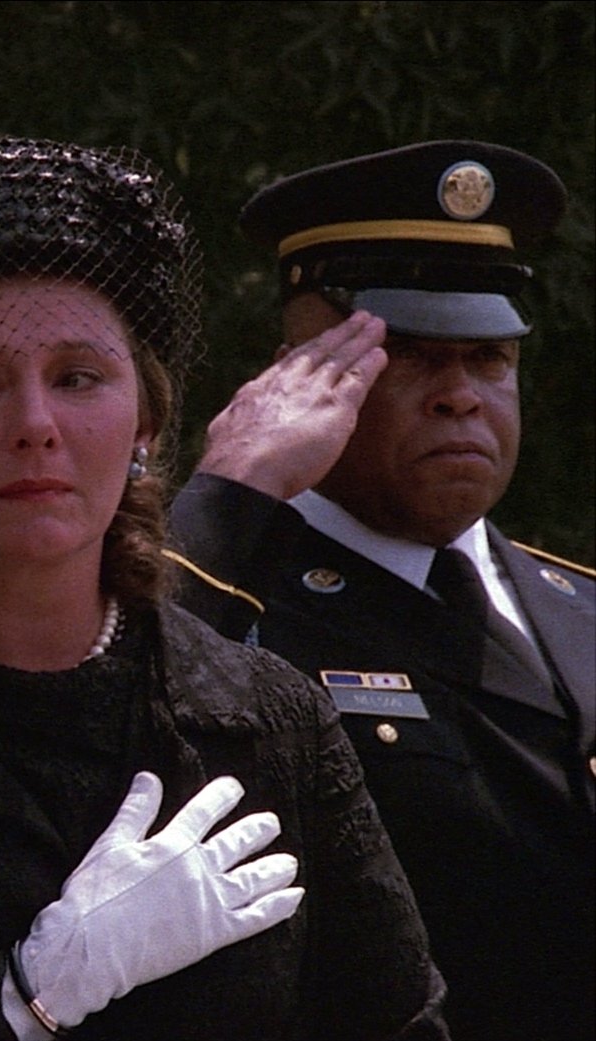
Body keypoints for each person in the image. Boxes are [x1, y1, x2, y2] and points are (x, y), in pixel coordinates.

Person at [0, 134, 448, 1040]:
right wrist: (24, 997)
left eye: (78, 378)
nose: (35, 424)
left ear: (146, 420)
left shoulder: (268, 717)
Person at [170, 140, 594, 1041]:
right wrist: (231, 492)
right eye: (407, 354)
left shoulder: (580, 606)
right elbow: (106, 705)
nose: (460, 395)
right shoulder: (228, 601)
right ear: (296, 374)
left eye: (488, 357)